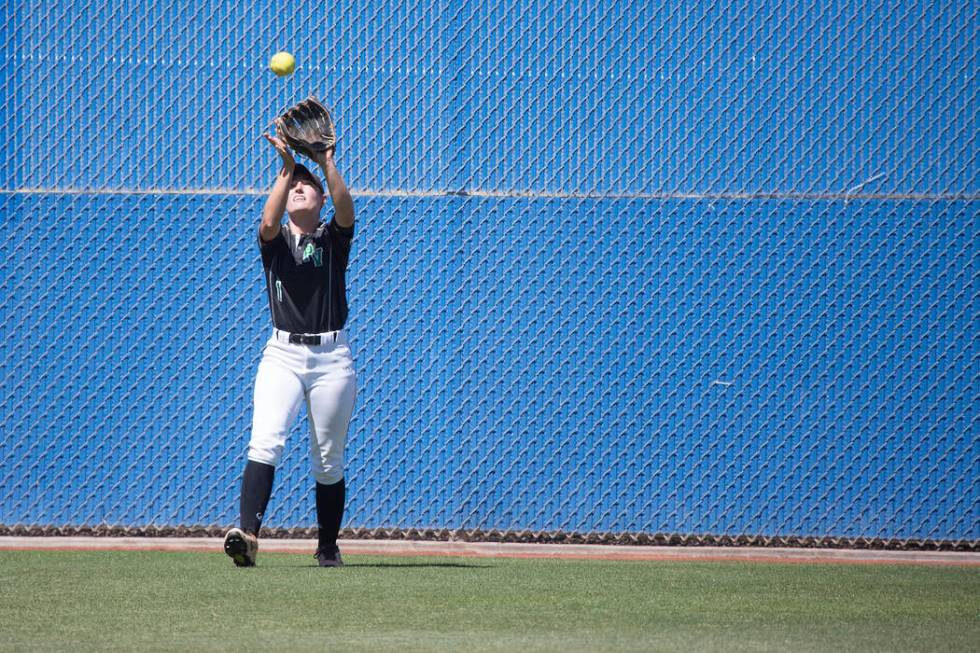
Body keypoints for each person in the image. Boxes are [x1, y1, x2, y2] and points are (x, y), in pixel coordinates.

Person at [223, 132, 356, 568]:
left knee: (327, 459)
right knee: (265, 441)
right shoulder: (275, 242)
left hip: (331, 358)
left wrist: (326, 163)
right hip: (281, 355)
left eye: (306, 183)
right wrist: (285, 167)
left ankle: (328, 545)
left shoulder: (333, 240)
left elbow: (346, 209)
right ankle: (248, 536)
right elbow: (267, 219)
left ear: (320, 198)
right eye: (293, 183)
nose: (299, 187)